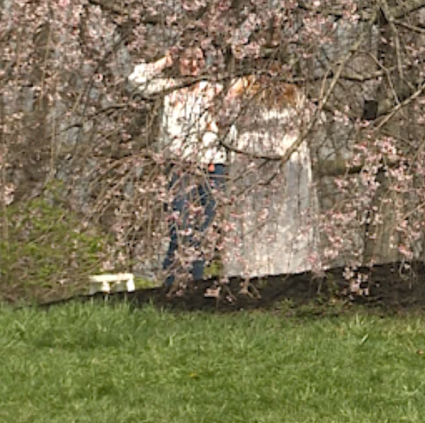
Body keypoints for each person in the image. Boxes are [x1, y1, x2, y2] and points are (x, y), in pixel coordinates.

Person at [128, 46, 230, 285]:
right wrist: (164, 61)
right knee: (180, 224)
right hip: (179, 165)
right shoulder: (168, 88)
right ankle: (170, 283)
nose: (193, 65)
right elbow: (136, 81)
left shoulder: (212, 90)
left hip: (211, 164)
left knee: (204, 228)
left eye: (199, 60)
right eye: (187, 59)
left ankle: (195, 282)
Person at [221, 74, 319, 278]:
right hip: (253, 156)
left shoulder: (296, 93)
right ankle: (252, 270)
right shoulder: (242, 89)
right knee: (252, 213)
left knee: (287, 213)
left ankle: (289, 268)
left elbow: (313, 120)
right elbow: (223, 117)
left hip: (287, 159)